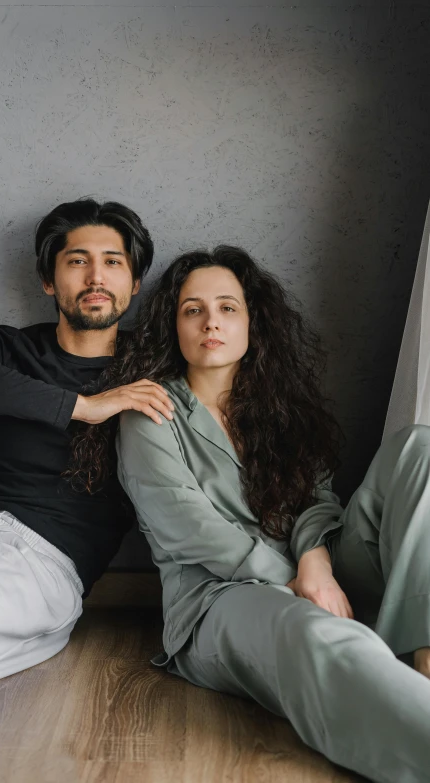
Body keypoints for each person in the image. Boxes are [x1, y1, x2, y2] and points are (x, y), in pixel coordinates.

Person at [70, 245, 430, 783]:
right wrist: (291, 578)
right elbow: (189, 528)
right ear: (174, 326)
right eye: (193, 310)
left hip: (321, 572)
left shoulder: (277, 406)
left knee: (418, 448)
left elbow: (317, 499)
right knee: (315, 636)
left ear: (251, 323)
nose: (211, 321)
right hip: (222, 599)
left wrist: (315, 563)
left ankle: (424, 660)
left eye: (227, 308)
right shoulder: (151, 413)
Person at [0, 198, 174, 712]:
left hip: (38, 563)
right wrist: (83, 406)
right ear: (50, 281)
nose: (96, 275)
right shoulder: (7, 348)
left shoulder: (153, 371)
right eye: (77, 260)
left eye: (113, 262)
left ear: (135, 283)